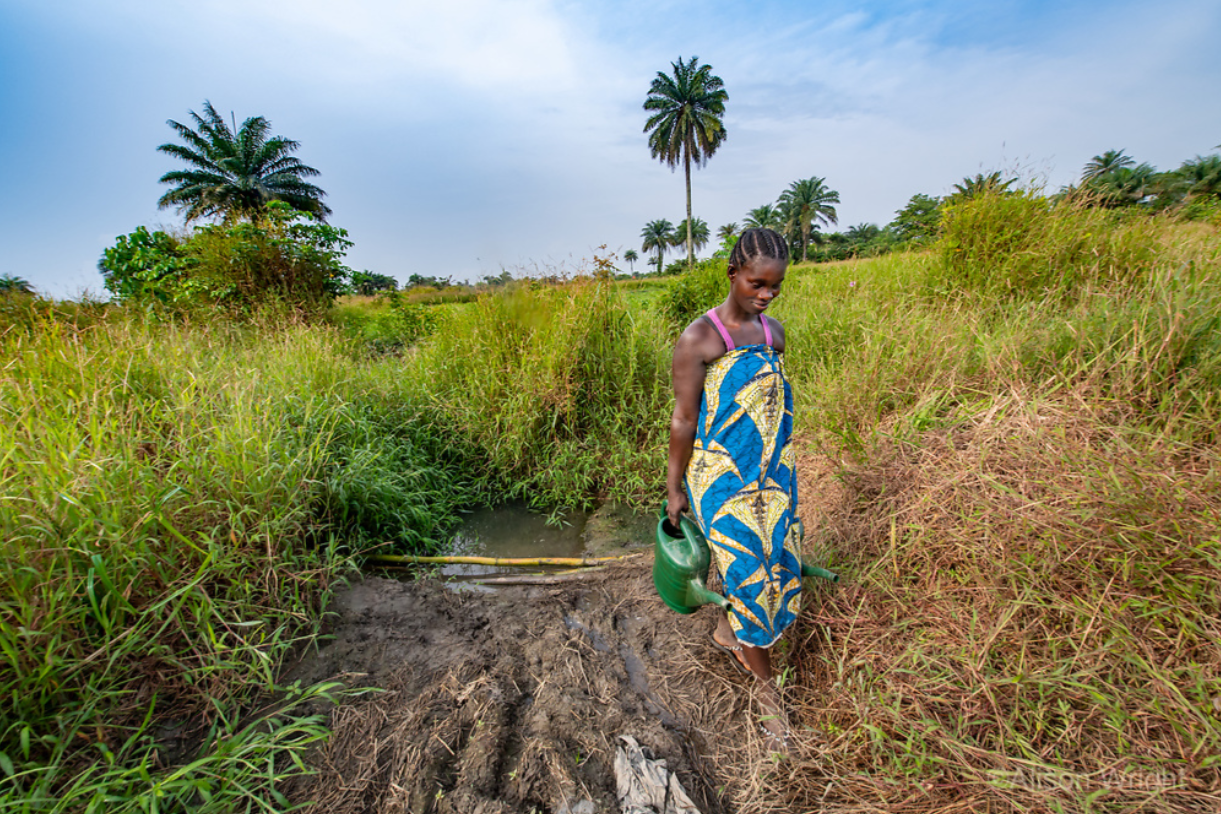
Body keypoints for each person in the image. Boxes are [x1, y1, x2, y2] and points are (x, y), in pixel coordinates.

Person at [666, 227, 799, 750]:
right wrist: (674, 489)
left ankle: (728, 633)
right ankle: (769, 694)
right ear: (732, 273)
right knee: (750, 572)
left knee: (779, 562)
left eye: (775, 286)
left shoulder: (775, 335)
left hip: (771, 473)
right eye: (756, 283)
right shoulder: (701, 339)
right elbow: (683, 419)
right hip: (719, 478)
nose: (765, 294)